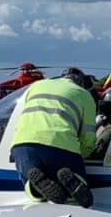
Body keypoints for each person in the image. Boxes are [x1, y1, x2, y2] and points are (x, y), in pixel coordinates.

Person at [7, 67, 98, 207]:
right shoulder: (84, 94)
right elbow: (88, 136)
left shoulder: (36, 86)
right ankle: (72, 189)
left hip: (21, 145)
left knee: (29, 188)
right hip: (60, 146)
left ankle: (35, 189)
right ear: (80, 82)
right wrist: (83, 154)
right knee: (77, 187)